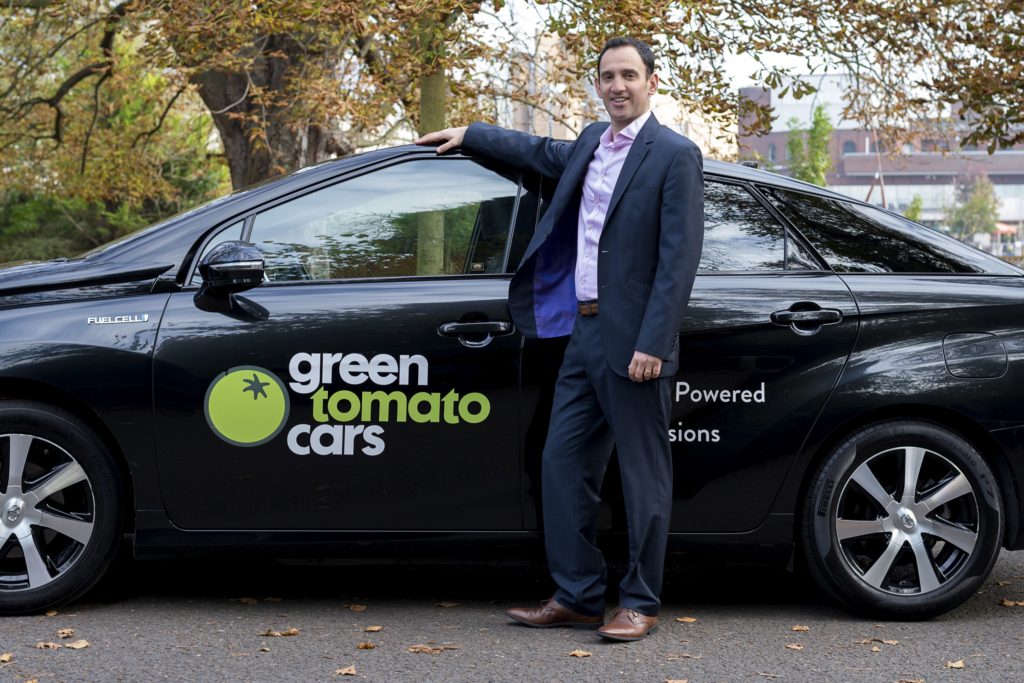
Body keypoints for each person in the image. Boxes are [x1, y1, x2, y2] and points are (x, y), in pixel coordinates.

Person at [416, 36, 703, 642]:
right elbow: (535, 151)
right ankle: (576, 593)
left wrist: (653, 342)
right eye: (607, 76)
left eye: (629, 75)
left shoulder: (675, 155)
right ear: (597, 85)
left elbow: (680, 260)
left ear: (651, 82)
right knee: (562, 461)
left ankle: (641, 603)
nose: (617, 85)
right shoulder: (590, 145)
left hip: (636, 343)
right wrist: (471, 133)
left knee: (643, 475)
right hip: (586, 330)